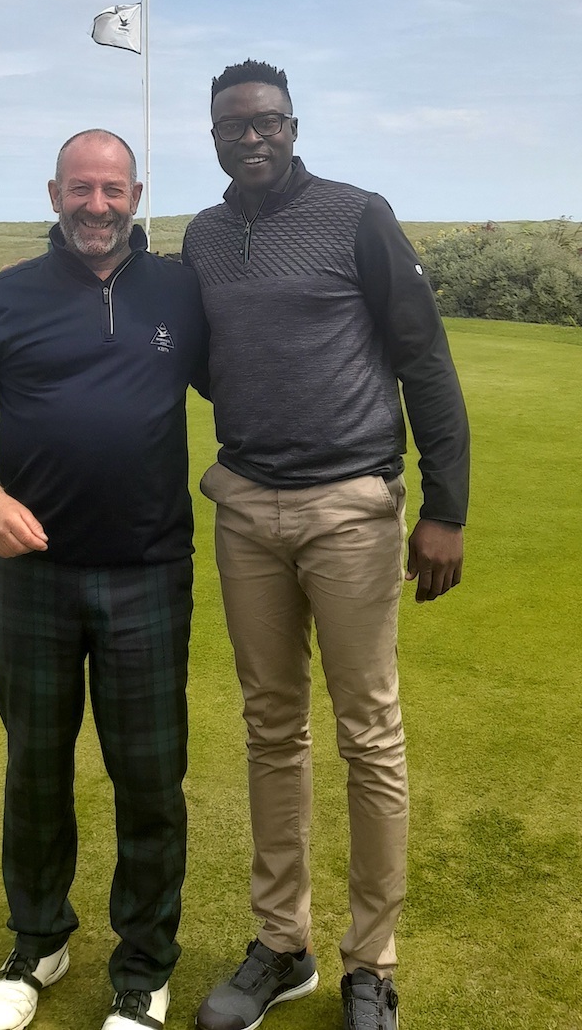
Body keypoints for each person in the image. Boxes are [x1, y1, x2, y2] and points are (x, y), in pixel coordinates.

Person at [182, 60, 470, 1030]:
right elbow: (214, 363)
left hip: (350, 504)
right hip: (244, 507)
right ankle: (281, 944)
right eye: (232, 125)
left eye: (265, 121)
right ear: (214, 136)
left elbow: (422, 356)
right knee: (270, 727)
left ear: (292, 126)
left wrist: (445, 507)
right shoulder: (205, 236)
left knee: (368, 732)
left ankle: (371, 963)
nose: (249, 136)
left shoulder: (356, 214)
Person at [0, 130, 208, 1030]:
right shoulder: (8, 295)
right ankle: (39, 937)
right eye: (81, 188)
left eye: (113, 189)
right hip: (35, 579)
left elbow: (244, 381)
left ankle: (143, 966)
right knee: (36, 769)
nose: (98, 205)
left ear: (137, 194)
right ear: (54, 191)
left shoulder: (176, 289)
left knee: (149, 778)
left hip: (148, 573)